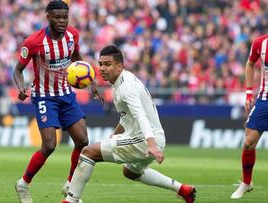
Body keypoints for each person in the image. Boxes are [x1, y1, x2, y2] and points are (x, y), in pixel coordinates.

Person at [63, 45, 196, 203]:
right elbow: (127, 117)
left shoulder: (126, 87)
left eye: (108, 64)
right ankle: (183, 190)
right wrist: (115, 135)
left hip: (144, 140)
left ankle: (70, 200)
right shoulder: (120, 81)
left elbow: (140, 115)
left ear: (119, 66)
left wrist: (151, 144)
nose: (102, 68)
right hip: (153, 137)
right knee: (130, 172)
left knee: (88, 152)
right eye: (101, 64)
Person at [13, 1, 103, 203]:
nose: (62, 21)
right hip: (44, 95)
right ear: (49, 17)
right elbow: (17, 70)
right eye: (57, 17)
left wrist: (92, 81)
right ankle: (24, 183)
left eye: (65, 17)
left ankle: (70, 184)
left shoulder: (73, 35)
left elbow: (77, 59)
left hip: (66, 94)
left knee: (83, 141)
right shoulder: (34, 41)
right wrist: (21, 88)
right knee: (49, 145)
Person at [231, 34, 268, 199]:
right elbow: (250, 63)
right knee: (248, 143)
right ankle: (246, 182)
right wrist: (248, 92)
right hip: (264, 99)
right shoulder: (261, 43)